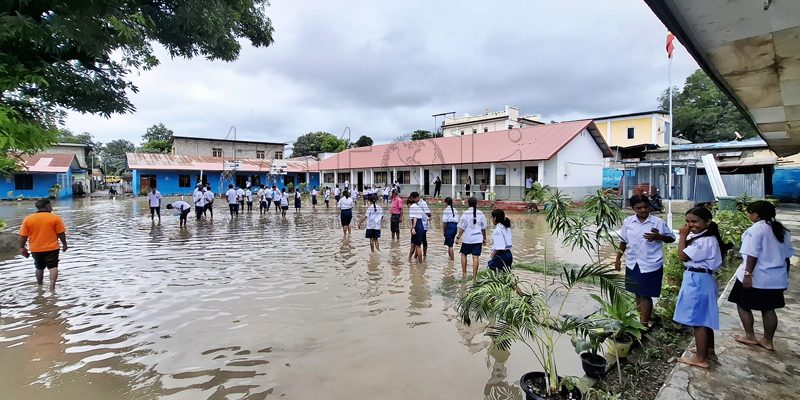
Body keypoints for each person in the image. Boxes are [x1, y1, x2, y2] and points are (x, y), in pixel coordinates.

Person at [728, 200, 793, 352]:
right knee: (769, 309)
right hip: (775, 277)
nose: (749, 215)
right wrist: (784, 275)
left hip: (758, 276)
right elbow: (787, 257)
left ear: (756, 215)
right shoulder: (781, 230)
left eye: (750, 213)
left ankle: (750, 335)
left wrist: (747, 274)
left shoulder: (757, 229)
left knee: (742, 304)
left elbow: (751, 254)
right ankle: (767, 341)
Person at [673, 206, 725, 369]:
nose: (690, 225)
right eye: (687, 222)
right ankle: (708, 351)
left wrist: (682, 235)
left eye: (694, 222)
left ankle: (701, 358)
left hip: (698, 280)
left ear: (707, 222)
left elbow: (683, 255)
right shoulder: (703, 237)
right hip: (701, 278)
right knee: (705, 317)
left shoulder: (705, 241)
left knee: (699, 320)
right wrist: (687, 235)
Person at [615, 194, 676, 326]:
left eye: (645, 207)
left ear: (649, 207)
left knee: (646, 294)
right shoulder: (628, 222)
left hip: (651, 263)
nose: (643, 210)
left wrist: (658, 236)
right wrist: (618, 258)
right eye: (639, 208)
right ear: (633, 209)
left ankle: (644, 324)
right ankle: (641, 317)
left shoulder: (657, 222)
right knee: (637, 292)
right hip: (633, 263)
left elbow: (671, 238)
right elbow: (623, 241)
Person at [19, 199, 68, 290]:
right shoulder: (55, 218)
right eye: (50, 206)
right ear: (47, 207)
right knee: (53, 267)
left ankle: (40, 286)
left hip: (35, 249)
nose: (51, 207)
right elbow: (61, 233)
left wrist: (22, 247)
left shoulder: (28, 219)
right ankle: (52, 287)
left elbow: (23, 235)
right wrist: (64, 244)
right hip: (52, 248)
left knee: (39, 267)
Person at [456, 197, 486, 277]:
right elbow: (483, 228)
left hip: (468, 239)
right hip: (478, 239)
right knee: (475, 257)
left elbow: (462, 228)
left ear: (468, 203)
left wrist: (458, 237)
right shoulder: (481, 213)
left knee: (463, 254)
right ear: (476, 203)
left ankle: (464, 274)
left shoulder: (465, 213)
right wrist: (484, 238)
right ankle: (474, 276)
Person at [408, 196, 425, 262]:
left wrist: (413, 228)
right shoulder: (418, 207)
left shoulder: (412, 207)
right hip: (421, 226)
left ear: (409, 203)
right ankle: (409, 259)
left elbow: (415, 218)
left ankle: (420, 263)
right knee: (414, 244)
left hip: (416, 227)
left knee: (417, 246)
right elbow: (425, 217)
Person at [415, 192, 432, 259]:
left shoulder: (423, 203)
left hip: (423, 224)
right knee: (419, 240)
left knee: (423, 239)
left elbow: (428, 212)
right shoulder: (416, 204)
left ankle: (424, 255)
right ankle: (418, 255)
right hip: (418, 223)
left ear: (417, 197)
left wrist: (428, 217)